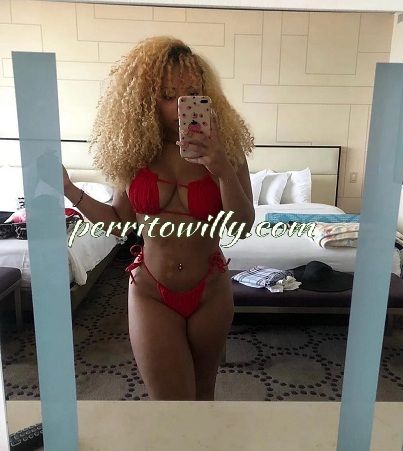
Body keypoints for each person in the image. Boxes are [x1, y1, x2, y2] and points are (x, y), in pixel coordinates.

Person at [63, 36, 255, 401]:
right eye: (169, 95)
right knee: (172, 407)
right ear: (148, 99)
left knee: (203, 398)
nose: (182, 104)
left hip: (210, 290)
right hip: (152, 291)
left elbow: (242, 226)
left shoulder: (227, 152)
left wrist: (221, 168)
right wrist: (70, 190)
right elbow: (119, 223)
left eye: (192, 93)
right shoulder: (134, 154)